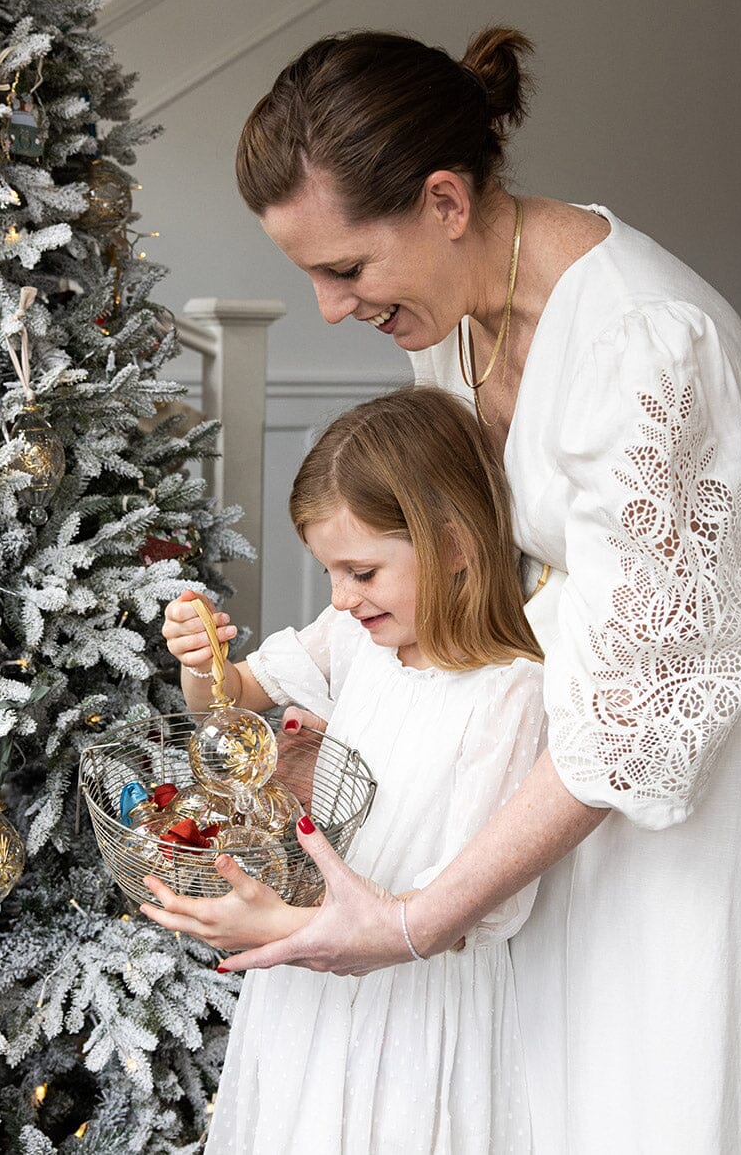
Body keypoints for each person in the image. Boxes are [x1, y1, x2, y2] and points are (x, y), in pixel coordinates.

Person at [163, 28, 741, 1153]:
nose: (331, 309)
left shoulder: (649, 349)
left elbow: (639, 714)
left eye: (345, 268)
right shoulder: (456, 326)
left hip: (671, 803)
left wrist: (408, 922)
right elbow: (475, 588)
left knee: (638, 1100)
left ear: (445, 199)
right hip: (541, 791)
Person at [150, 386, 548, 1154]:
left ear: (455, 544)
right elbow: (227, 702)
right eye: (330, 571)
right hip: (307, 991)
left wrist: (284, 927)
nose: (339, 596)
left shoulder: (510, 695)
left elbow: (467, 910)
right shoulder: (355, 635)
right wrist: (201, 661)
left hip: (417, 1012)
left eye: (362, 572)